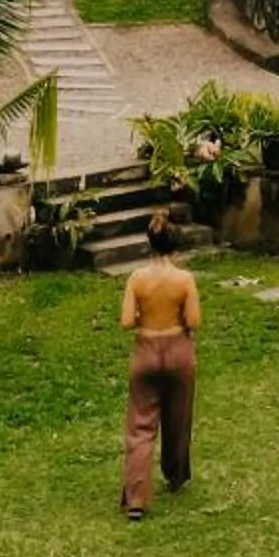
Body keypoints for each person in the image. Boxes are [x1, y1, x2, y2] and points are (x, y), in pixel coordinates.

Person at [118, 210, 200, 519]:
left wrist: (145, 315)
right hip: (178, 350)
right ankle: (176, 474)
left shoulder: (137, 279)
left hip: (147, 351)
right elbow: (194, 320)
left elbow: (126, 321)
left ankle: (136, 500)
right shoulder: (185, 280)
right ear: (175, 244)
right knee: (178, 417)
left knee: (140, 426)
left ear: (149, 242)